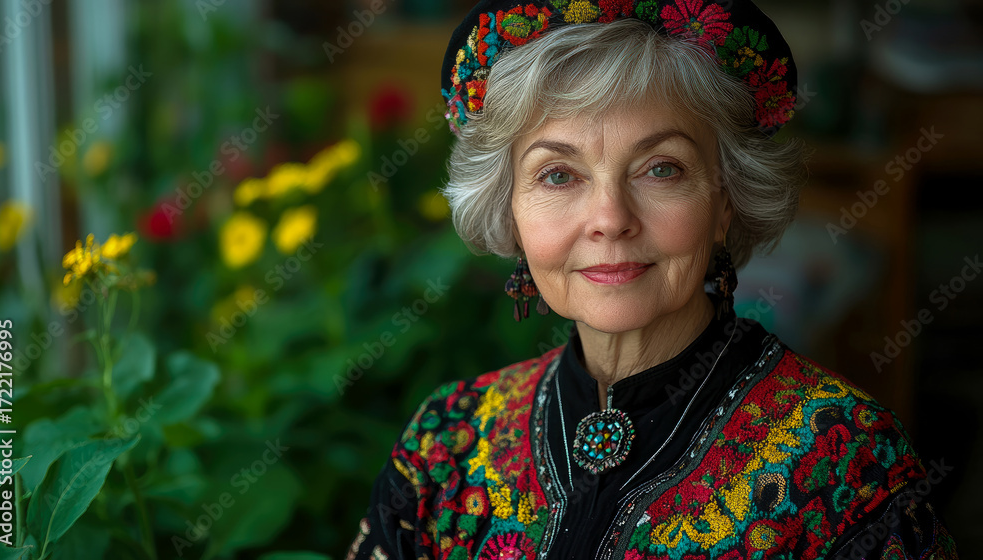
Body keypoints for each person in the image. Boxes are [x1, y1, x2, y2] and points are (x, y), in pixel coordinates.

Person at [346, 1, 960, 558]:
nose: (610, 219)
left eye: (661, 169)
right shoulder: (446, 444)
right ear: (509, 207)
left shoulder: (844, 457)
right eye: (558, 175)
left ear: (725, 202)